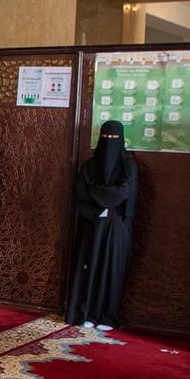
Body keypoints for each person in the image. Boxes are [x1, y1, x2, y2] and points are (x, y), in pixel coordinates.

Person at [65, 121, 137, 330]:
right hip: (91, 223)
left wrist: (95, 192)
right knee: (89, 267)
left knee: (110, 269)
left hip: (116, 226)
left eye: (114, 139)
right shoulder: (89, 165)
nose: (109, 142)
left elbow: (124, 192)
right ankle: (86, 312)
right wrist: (102, 203)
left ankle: (106, 316)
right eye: (106, 138)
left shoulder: (128, 166)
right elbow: (79, 191)